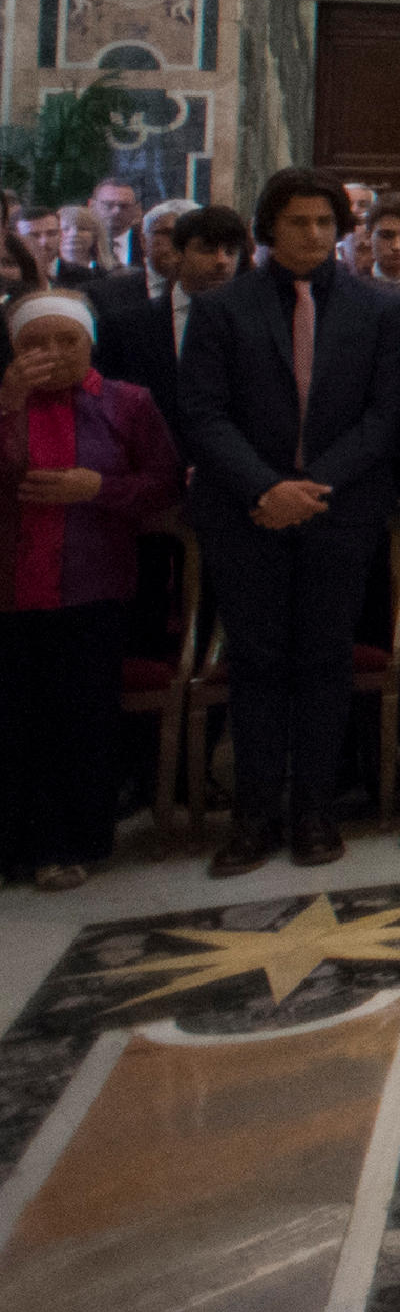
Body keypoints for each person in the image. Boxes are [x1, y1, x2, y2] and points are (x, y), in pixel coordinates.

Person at [180, 170, 400, 874]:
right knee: (256, 662)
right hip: (245, 512)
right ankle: (254, 817)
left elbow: (384, 415)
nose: (313, 234)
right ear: (268, 228)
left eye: (324, 223)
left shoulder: (378, 306)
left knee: (324, 660)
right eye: (298, 222)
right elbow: (203, 414)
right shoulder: (222, 309)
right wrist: (266, 487)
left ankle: (314, 811)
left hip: (339, 511)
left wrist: (313, 486)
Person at [0, 289, 182, 890]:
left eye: (67, 340)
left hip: (92, 584)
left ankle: (67, 845)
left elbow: (163, 484)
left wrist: (99, 488)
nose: (51, 353)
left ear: (91, 343)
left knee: (78, 718)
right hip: (9, 585)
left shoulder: (128, 403)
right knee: (13, 717)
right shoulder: (5, 399)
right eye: (35, 343)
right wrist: (8, 406)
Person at [97, 200, 244, 448]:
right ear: (178, 253)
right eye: (207, 250)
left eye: (231, 251)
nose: (222, 261)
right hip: (150, 457)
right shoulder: (125, 327)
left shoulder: (253, 321)